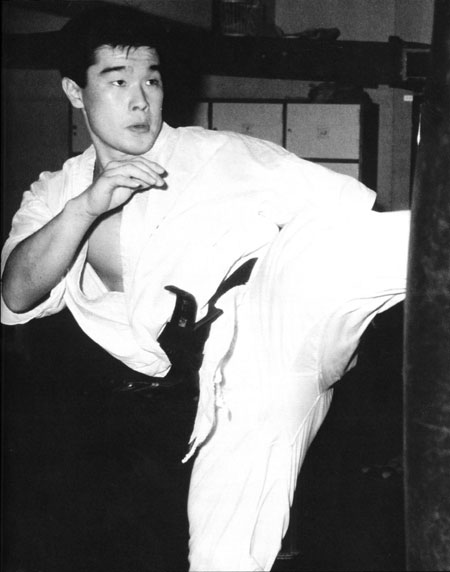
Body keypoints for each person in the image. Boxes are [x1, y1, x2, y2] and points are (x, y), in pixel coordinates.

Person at [1, 5, 410, 571]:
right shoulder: (57, 193)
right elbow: (15, 294)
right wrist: (87, 207)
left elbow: (352, 211)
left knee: (325, 252)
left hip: (271, 322)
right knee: (222, 558)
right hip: (218, 401)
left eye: (151, 80)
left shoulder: (221, 154)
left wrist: (346, 306)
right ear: (75, 91)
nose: (141, 100)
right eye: (118, 82)